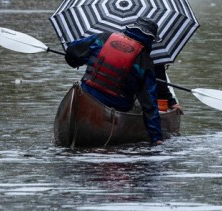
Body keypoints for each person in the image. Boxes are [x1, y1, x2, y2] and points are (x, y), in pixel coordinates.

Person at [64, 17, 163, 145]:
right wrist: (157, 138)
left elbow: (72, 52)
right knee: (138, 103)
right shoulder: (145, 62)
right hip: (117, 105)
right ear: (150, 39)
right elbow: (150, 106)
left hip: (87, 94)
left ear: (131, 29)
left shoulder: (104, 38)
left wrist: (77, 61)